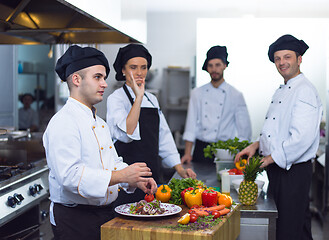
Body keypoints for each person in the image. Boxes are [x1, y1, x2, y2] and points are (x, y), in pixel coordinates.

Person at [43, 45, 157, 240]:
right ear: (76, 79)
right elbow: (70, 177)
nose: (104, 83)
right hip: (75, 220)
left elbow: (112, 162)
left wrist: (135, 178)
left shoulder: (99, 122)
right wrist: (122, 175)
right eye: (98, 77)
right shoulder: (64, 122)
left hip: (103, 214)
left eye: (104, 78)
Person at [235, 34, 322, 240]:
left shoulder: (304, 90)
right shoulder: (283, 89)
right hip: (280, 169)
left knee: (288, 230)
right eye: (277, 58)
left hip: (292, 172)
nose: (282, 62)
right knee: (295, 226)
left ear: (299, 59)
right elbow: (277, 128)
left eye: (287, 57)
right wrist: (256, 145)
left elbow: (302, 138)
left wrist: (268, 159)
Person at [106, 44, 196, 204]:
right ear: (123, 70)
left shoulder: (151, 99)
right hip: (127, 179)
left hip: (151, 175)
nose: (139, 73)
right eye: (133, 67)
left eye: (144, 67)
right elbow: (127, 134)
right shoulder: (116, 99)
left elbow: (163, 136)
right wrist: (138, 98)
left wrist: (179, 169)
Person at [181, 45, 252, 164]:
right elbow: (191, 126)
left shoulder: (236, 95)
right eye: (210, 65)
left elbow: (244, 131)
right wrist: (188, 153)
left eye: (218, 65)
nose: (214, 69)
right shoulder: (197, 93)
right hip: (201, 149)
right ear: (207, 68)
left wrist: (242, 155)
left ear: (225, 65)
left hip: (226, 151)